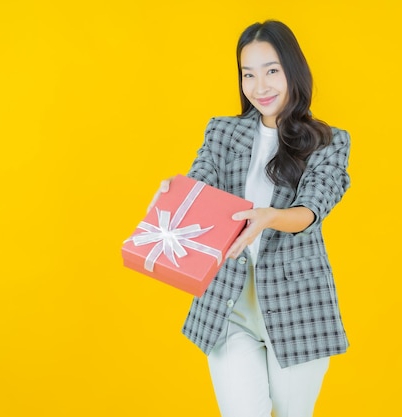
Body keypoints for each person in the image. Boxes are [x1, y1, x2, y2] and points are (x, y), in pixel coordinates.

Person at [149, 20, 351, 417]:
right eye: (249, 74)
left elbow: (312, 208)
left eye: (272, 70)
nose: (260, 86)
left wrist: (271, 216)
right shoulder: (223, 133)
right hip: (229, 306)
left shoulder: (328, 142)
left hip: (298, 307)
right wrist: (176, 191)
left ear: (293, 71)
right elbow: (200, 180)